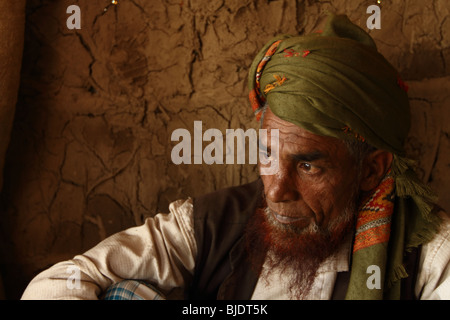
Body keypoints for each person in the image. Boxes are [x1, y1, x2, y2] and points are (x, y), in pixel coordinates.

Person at [21, 14, 450, 300]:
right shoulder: (210, 223)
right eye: (267, 153)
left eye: (308, 164)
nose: (276, 189)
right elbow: (55, 284)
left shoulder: (430, 252)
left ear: (371, 170)